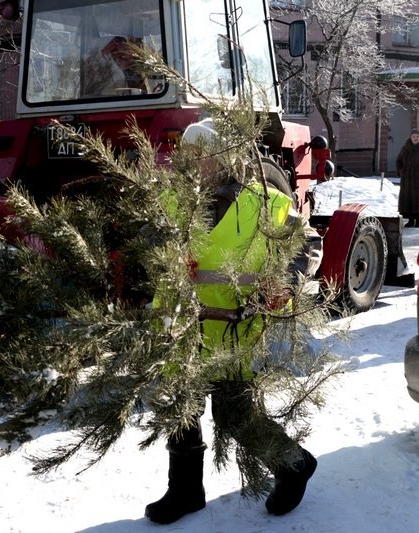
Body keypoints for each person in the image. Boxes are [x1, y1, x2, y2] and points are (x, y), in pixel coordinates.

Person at [145, 118, 317, 524]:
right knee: (180, 409)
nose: (195, 164)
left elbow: (305, 242)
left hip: (235, 329)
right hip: (182, 326)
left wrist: (283, 284)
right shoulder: (175, 201)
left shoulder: (265, 203)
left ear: (224, 158)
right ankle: (185, 491)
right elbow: (152, 244)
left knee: (234, 416)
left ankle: (293, 464)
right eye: (190, 156)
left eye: (204, 156)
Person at [395, 129, 419, 228]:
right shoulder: (405, 148)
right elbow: (399, 160)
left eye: (417, 136)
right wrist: (401, 171)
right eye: (414, 136)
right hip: (407, 179)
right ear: (410, 138)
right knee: (409, 200)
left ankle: (418, 221)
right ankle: (410, 220)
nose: (415, 138)